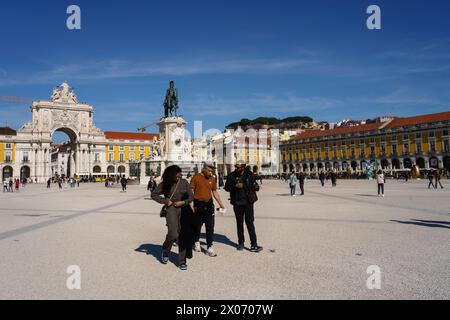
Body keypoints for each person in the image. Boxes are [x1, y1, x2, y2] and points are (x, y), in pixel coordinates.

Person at [151, 165, 194, 270]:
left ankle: (182, 260)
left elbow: (191, 196)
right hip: (171, 209)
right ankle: (165, 251)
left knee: (183, 235)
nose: (180, 174)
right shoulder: (165, 183)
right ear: (172, 174)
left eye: (180, 172)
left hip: (184, 209)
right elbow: (154, 194)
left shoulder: (184, 182)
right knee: (173, 233)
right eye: (178, 172)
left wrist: (183, 202)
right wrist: (166, 201)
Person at [225, 161, 263, 252]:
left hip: (248, 203)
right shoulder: (231, 175)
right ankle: (241, 243)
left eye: (238, 167)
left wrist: (245, 186)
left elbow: (255, 187)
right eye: (236, 167)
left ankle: (254, 244)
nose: (237, 169)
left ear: (243, 167)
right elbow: (226, 188)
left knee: (250, 223)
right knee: (239, 224)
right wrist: (234, 186)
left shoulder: (249, 174)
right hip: (237, 203)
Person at [190, 162, 226, 257]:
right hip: (198, 204)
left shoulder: (212, 178)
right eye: (209, 170)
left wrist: (221, 204)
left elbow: (214, 192)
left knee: (210, 227)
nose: (211, 172)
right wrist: (191, 204)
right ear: (204, 169)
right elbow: (191, 191)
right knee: (197, 226)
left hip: (209, 205)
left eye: (212, 170)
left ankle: (210, 247)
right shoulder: (196, 177)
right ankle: (196, 241)